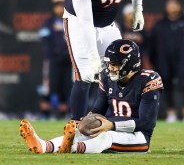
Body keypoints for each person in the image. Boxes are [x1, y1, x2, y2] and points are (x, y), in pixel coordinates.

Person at [19, 39, 162, 154]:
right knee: (80, 134)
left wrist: (111, 125)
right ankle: (44, 146)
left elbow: (146, 122)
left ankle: (73, 148)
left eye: (116, 64)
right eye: (109, 64)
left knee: (105, 137)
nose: (111, 68)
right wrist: (86, 123)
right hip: (110, 128)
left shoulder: (148, 79)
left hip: (139, 138)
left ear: (131, 63)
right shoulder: (106, 77)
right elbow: (98, 109)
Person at [63, 0, 144, 121]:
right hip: (79, 23)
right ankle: (75, 128)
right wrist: (92, 53)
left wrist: (138, 8)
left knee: (121, 69)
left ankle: (116, 120)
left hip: (108, 23)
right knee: (86, 76)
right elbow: (85, 21)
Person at [149, 0, 184, 123]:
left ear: (180, 7)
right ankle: (170, 112)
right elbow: (152, 47)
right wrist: (156, 62)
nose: (172, 7)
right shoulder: (159, 25)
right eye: (169, 5)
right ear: (166, 7)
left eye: (175, 4)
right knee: (167, 87)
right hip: (164, 62)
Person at [37, 0, 72, 119]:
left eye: (61, 5)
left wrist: (67, 54)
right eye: (56, 6)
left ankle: (63, 113)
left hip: (68, 60)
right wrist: (53, 55)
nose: (59, 8)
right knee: (49, 86)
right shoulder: (48, 23)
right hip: (52, 61)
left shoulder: (71, 22)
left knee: (65, 86)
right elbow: (45, 41)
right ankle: (44, 114)